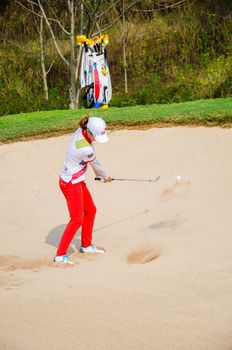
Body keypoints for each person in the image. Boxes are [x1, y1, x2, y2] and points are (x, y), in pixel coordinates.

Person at [54, 116, 112, 264]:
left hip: (77, 181)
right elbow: (96, 164)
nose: (96, 139)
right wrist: (106, 176)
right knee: (77, 219)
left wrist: (102, 175)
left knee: (91, 210)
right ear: (89, 132)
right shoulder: (85, 149)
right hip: (70, 183)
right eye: (96, 136)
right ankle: (60, 255)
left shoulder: (82, 130)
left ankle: (86, 245)